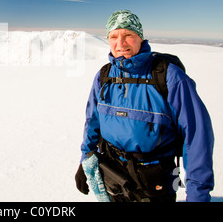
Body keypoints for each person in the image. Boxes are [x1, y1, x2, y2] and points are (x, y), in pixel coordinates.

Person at [75, 10, 214, 202]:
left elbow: (196, 137)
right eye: (113, 36)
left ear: (140, 38)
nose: (120, 43)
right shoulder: (104, 76)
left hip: (156, 180)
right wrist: (86, 161)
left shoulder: (169, 77)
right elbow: (92, 123)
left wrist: (198, 195)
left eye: (128, 35)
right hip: (114, 177)